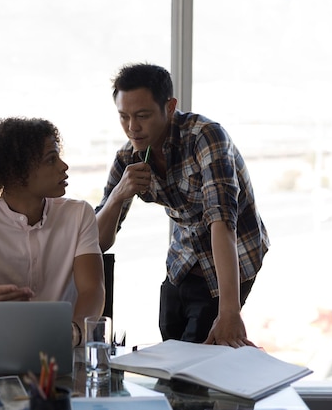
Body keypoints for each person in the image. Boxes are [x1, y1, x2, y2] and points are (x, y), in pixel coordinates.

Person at [95, 63, 269, 347]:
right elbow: (98, 242)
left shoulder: (206, 136)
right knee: (172, 351)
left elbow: (222, 221)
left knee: (201, 359)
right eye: (123, 116)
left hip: (232, 255)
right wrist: (118, 195)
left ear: (170, 106)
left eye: (142, 116)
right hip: (182, 261)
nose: (132, 128)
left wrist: (229, 311)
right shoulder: (129, 157)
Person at [0, 117, 105, 347]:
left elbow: (93, 288)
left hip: (65, 351)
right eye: (51, 160)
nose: (63, 166)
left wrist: (74, 333)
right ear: (15, 172)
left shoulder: (79, 214)